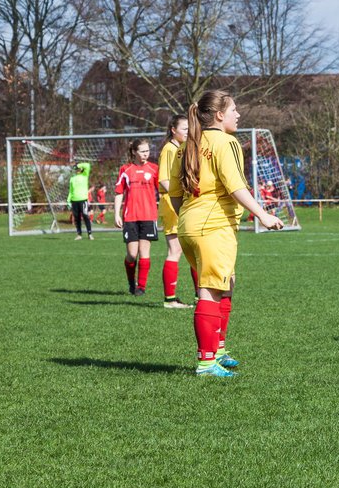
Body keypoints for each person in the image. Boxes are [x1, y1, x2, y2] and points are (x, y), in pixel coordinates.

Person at [169, 90, 283, 378]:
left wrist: (188, 215)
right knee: (209, 292)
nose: (238, 115)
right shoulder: (226, 141)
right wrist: (264, 214)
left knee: (225, 284)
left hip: (189, 224)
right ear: (219, 115)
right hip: (213, 225)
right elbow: (235, 186)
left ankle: (217, 350)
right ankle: (206, 363)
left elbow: (174, 193)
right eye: (234, 110)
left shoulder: (186, 145)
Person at [156, 114, 193, 309]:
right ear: (173, 130)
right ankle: (170, 300)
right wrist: (181, 194)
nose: (188, 132)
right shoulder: (169, 149)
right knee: (175, 249)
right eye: (185, 128)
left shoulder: (180, 148)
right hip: (171, 202)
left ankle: (199, 296)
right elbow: (163, 180)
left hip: (177, 200)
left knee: (192, 248)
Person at [115, 139, 159, 297]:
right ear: (134, 152)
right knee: (132, 255)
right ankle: (131, 282)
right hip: (130, 217)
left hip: (148, 216)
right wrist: (116, 214)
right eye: (142, 151)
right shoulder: (125, 169)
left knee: (144, 252)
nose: (146, 154)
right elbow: (119, 192)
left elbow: (164, 190)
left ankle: (141, 287)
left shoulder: (154, 169)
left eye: (147, 151)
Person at [68, 162, 94, 239]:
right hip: (74, 200)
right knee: (77, 218)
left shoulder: (85, 176)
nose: (78, 170)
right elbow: (71, 190)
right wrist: (68, 200)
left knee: (86, 216)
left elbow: (88, 165)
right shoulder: (72, 178)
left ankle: (90, 234)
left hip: (83, 200)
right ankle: (79, 234)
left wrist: (78, 165)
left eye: (79, 168)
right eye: (77, 169)